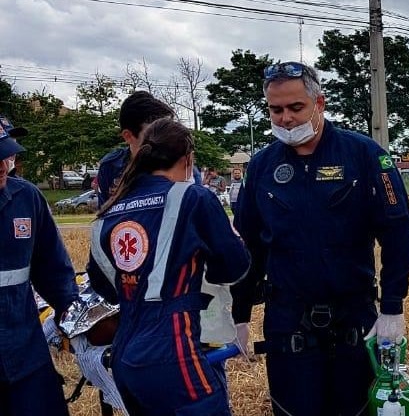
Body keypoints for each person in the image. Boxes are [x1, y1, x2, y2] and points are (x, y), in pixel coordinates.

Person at [231, 61, 409, 415]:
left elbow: (398, 235)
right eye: (275, 109)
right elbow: (249, 247)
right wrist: (239, 314)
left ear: (320, 103)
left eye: (295, 107)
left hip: (353, 320)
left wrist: (393, 306)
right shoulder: (261, 168)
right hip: (287, 323)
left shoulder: (364, 156)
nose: (285, 118)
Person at [86, 118, 250, 415]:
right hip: (173, 350)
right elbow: (234, 267)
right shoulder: (193, 197)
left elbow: (103, 286)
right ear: (188, 159)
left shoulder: (108, 212)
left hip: (125, 353)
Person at [0, 123, 79, 415]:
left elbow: (53, 269)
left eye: (6, 157)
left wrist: (70, 317)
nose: (3, 165)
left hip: (24, 350)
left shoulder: (27, 198)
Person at [96, 91, 201, 206]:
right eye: (153, 135)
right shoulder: (110, 166)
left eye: (168, 133)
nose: (164, 142)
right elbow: (105, 216)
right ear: (128, 136)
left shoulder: (184, 170)